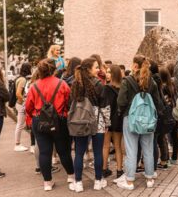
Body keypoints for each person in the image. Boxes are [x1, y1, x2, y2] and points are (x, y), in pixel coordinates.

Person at [116, 55, 164, 190]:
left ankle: (130, 181)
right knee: (148, 149)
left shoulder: (127, 81)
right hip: (148, 120)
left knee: (131, 150)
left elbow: (121, 102)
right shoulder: (152, 82)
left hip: (130, 119)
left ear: (135, 66)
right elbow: (158, 102)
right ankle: (149, 179)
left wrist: (124, 111)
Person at [25, 58, 74, 191]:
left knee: (44, 152)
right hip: (59, 120)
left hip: (39, 121)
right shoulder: (62, 84)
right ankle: (71, 175)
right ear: (53, 70)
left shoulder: (34, 86)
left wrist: (31, 117)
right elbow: (69, 102)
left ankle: (47, 182)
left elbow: (28, 106)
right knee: (63, 150)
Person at [69, 58, 110, 192]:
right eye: (96, 67)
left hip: (80, 121)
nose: (98, 69)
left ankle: (78, 183)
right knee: (98, 152)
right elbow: (104, 107)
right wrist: (107, 122)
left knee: (79, 153)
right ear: (88, 69)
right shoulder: (99, 84)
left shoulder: (76, 84)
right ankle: (98, 181)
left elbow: (72, 104)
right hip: (97, 121)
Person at [102, 65, 124, 179]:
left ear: (115, 74)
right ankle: (119, 170)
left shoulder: (106, 88)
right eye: (107, 72)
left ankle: (105, 169)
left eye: (110, 72)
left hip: (108, 120)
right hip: (118, 120)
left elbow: (105, 105)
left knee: (108, 146)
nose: (107, 74)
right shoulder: (123, 88)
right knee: (117, 146)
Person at [159, 67, 178, 165]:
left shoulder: (162, 88)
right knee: (175, 135)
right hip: (174, 113)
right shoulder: (172, 86)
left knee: (164, 136)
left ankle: (165, 157)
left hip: (166, 114)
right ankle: (174, 157)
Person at [14, 63, 32, 152]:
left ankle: (17, 143)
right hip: (21, 104)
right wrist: (25, 102)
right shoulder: (23, 80)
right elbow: (18, 93)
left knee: (20, 124)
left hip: (19, 104)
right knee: (20, 125)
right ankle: (17, 144)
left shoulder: (19, 78)